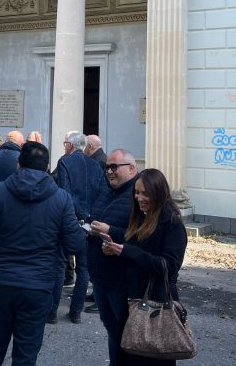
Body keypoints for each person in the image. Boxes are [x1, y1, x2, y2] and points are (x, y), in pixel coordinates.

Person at [0, 141, 85, 366]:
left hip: (2, 281)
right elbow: (75, 243)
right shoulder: (61, 198)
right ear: (47, 166)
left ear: (18, 164)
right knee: (26, 355)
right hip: (38, 285)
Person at [99, 168, 188, 366]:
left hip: (156, 304)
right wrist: (114, 252)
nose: (139, 198)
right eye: (137, 192)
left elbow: (168, 266)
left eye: (145, 193)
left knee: (151, 358)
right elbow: (135, 258)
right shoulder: (141, 218)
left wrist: (127, 251)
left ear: (159, 193)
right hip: (132, 301)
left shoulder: (172, 224)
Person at [85, 149, 139, 365]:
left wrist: (111, 232)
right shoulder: (107, 191)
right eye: (107, 167)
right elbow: (97, 217)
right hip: (100, 279)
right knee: (112, 332)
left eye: (114, 167)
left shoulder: (138, 196)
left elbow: (142, 237)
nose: (109, 171)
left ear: (132, 169)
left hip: (122, 282)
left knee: (126, 335)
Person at [53, 131, 104, 320]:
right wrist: (90, 217)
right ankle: (75, 313)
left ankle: (51, 312)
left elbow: (64, 193)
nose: (64, 146)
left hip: (69, 220)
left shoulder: (65, 162)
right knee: (83, 269)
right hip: (89, 223)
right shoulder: (95, 165)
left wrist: (78, 215)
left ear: (71, 145)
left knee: (60, 265)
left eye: (65, 143)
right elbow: (102, 194)